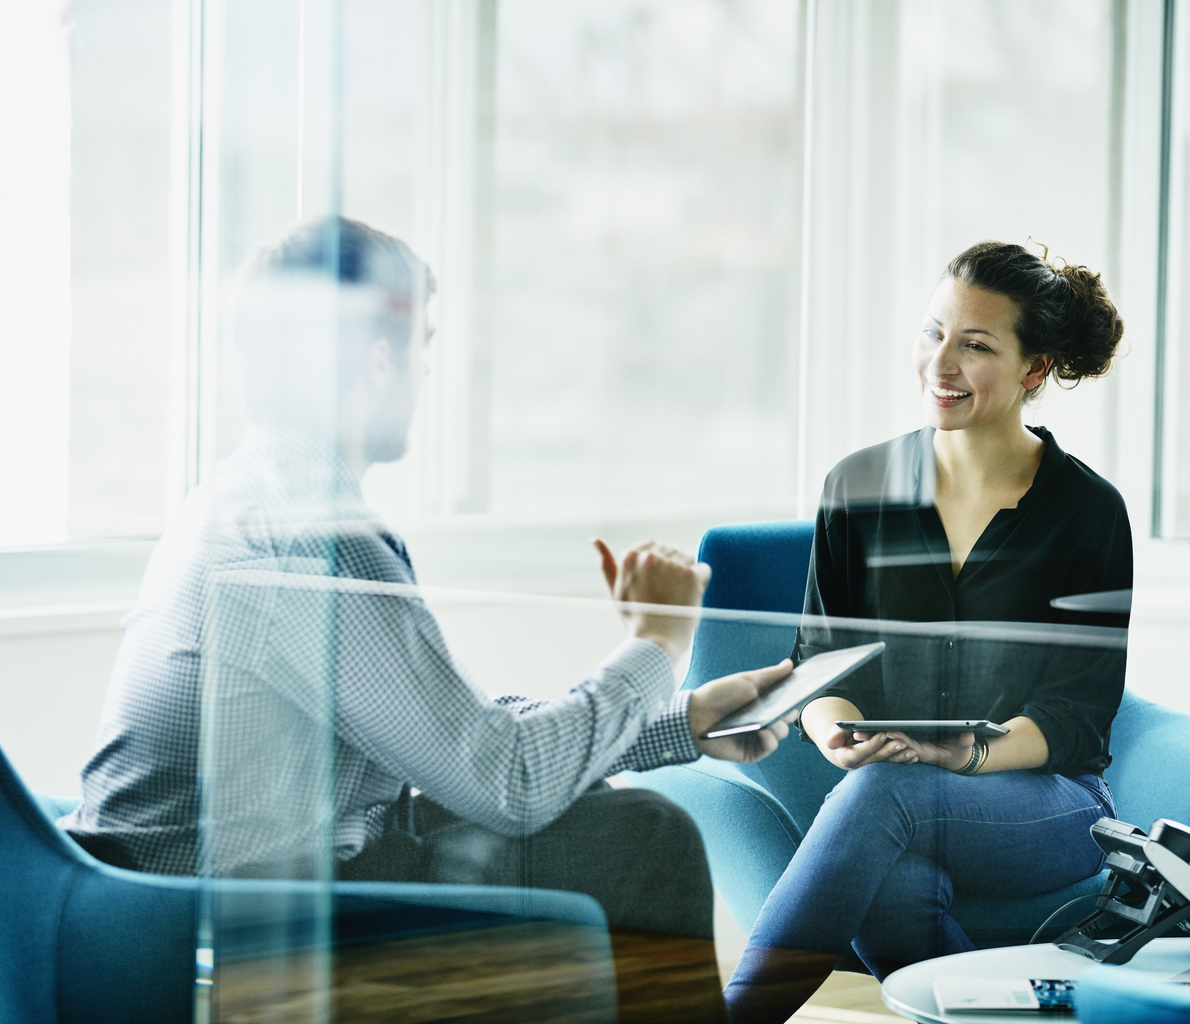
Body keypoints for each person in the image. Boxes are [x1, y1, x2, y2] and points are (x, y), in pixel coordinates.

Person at [58, 216, 794, 1020]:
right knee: (643, 840)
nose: (424, 373)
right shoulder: (316, 542)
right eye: (422, 346)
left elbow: (463, 743)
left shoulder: (246, 498)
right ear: (379, 359)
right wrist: (658, 638)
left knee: (609, 824)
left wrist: (679, 720)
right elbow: (506, 782)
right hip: (228, 928)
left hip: (189, 895)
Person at [723, 241, 1133, 1023]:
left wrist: (967, 752)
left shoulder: (1087, 513)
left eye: (976, 345)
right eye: (932, 332)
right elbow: (820, 664)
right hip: (900, 796)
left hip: (1052, 803)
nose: (940, 363)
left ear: (1034, 370)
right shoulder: (858, 486)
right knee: (895, 884)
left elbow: (1078, 716)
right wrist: (837, 731)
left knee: (888, 797)